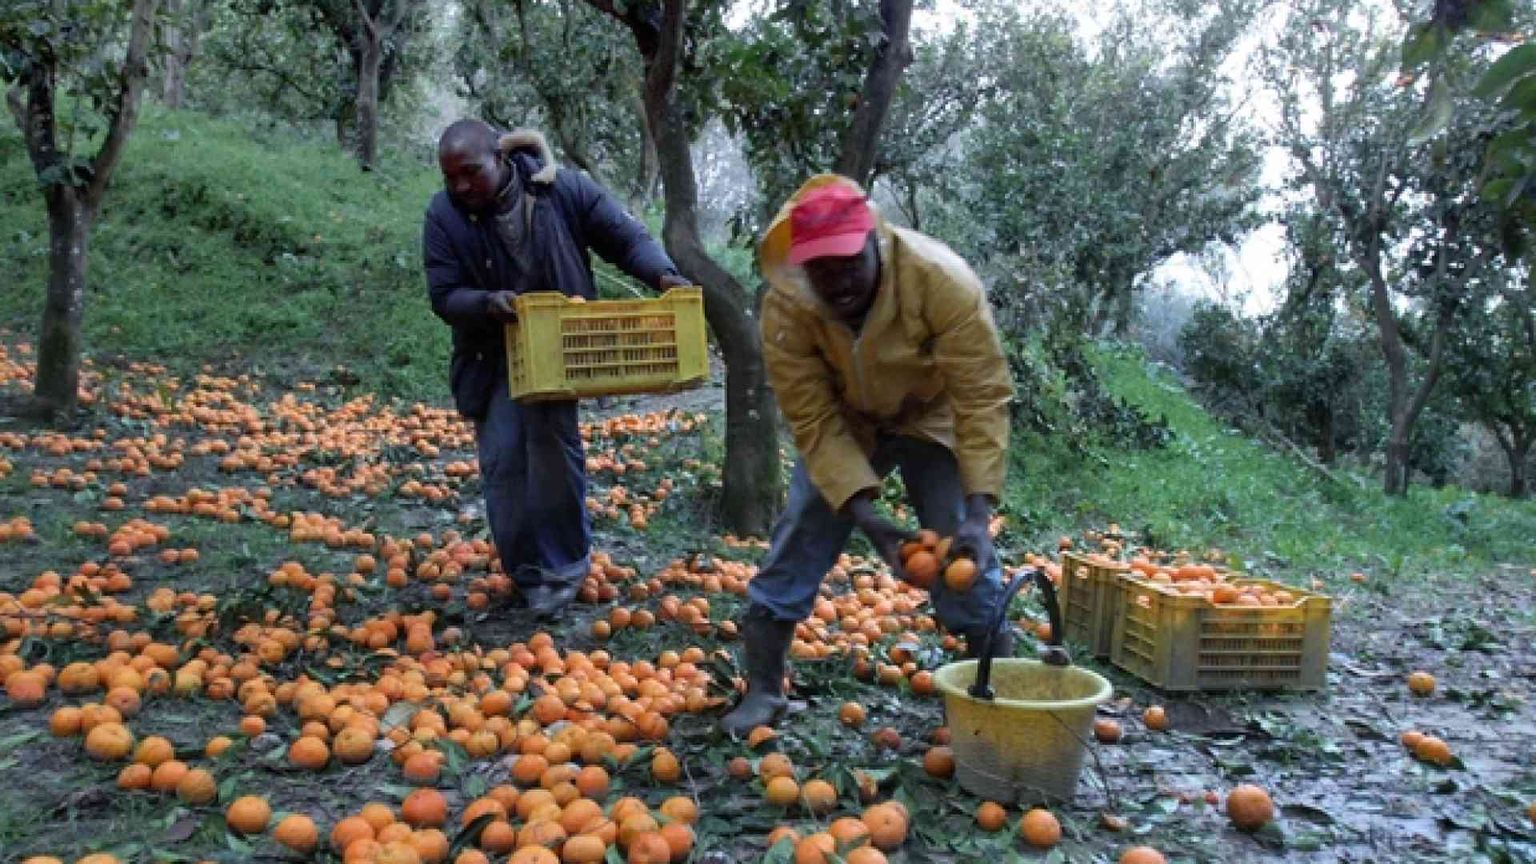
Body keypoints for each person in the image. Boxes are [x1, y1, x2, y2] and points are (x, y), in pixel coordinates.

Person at [721, 175, 1017, 736]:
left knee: (959, 545)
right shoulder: (788, 308)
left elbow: (981, 395)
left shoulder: (939, 280)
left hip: (931, 413)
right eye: (821, 269)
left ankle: (993, 694)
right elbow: (811, 416)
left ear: (874, 242)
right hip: (847, 420)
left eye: (849, 263)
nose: (837, 281)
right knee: (802, 529)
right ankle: (763, 690)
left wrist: (979, 515)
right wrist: (867, 518)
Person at [423, 119, 690, 617]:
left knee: (552, 454)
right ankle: (526, 573)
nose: (461, 186)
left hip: (556, 349)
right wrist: (487, 302)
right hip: (491, 355)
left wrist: (663, 274)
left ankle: (564, 568)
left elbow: (624, 238)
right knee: (504, 461)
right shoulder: (444, 215)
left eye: (471, 172)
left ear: (500, 158)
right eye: (450, 177)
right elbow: (444, 294)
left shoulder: (560, 190)